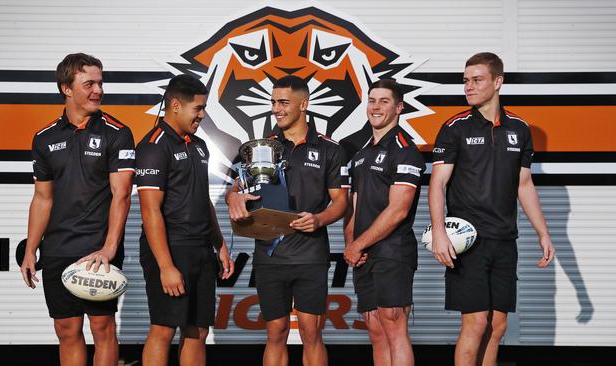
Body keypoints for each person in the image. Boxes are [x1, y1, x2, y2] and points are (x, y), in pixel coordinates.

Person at [428, 52, 556, 366]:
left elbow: (524, 185)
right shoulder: (454, 127)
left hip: (504, 240)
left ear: (498, 82)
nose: (468, 87)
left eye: (477, 80)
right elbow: (437, 184)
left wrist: (543, 233)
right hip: (467, 242)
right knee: (475, 322)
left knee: (498, 325)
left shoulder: (520, 129)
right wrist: (440, 233)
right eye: (465, 81)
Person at [21, 53, 135, 366]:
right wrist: (31, 249)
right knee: (66, 329)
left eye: (100, 82)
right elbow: (42, 198)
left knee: (102, 327)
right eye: (89, 83)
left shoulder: (117, 132)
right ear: (66, 88)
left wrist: (109, 248)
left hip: (98, 249)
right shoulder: (44, 138)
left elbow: (121, 194)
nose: (98, 89)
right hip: (57, 248)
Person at [226, 75, 349, 366]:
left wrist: (319, 219)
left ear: (304, 104)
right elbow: (237, 186)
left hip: (310, 255)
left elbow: (341, 201)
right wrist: (233, 198)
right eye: (273, 102)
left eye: (283, 102)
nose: (276, 109)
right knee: (276, 332)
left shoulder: (330, 148)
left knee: (312, 333)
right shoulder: (260, 148)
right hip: (270, 254)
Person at [135, 74, 234, 366]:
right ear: (175, 105)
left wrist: (220, 244)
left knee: (197, 331)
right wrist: (166, 266)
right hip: (170, 249)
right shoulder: (153, 146)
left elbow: (202, 198)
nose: (202, 115)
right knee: (164, 328)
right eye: (198, 108)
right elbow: (150, 210)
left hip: (201, 249)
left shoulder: (200, 145)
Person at [343, 79, 425, 366]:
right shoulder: (361, 154)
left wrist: (359, 244)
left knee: (393, 327)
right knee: (375, 330)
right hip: (364, 255)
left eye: (384, 101)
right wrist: (351, 245)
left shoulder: (405, 150)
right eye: (372, 100)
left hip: (393, 251)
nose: (376, 107)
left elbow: (399, 210)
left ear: (399, 107)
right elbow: (354, 207)